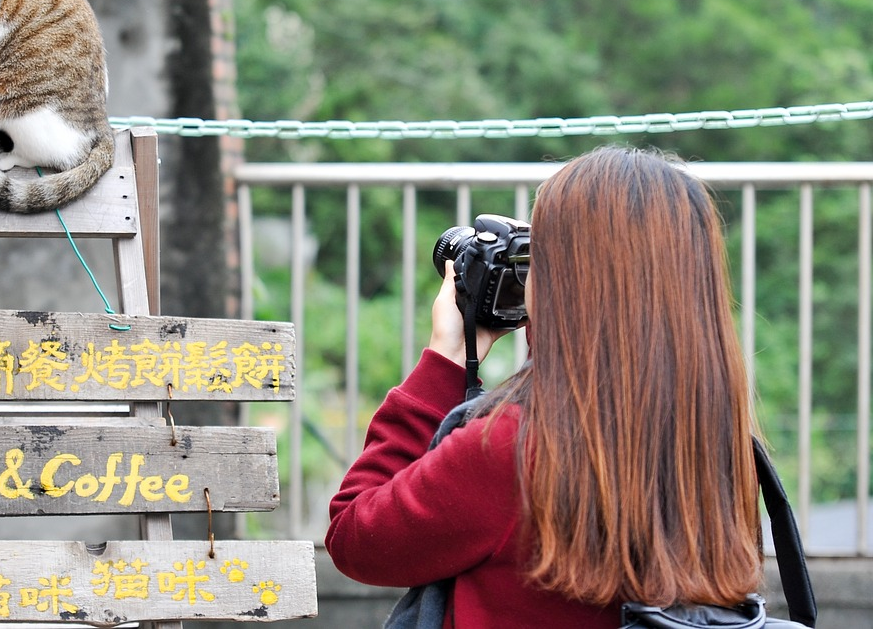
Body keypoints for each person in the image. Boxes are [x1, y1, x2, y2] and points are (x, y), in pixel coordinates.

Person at [326, 146, 764, 628]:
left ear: (567, 279)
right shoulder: (718, 440)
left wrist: (445, 361)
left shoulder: (516, 446)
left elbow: (356, 539)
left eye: (540, 252)